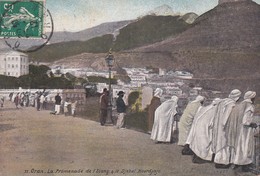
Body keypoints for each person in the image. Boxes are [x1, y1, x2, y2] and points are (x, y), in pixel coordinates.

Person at [226, 91, 257, 172]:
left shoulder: (239, 105)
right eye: (254, 97)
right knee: (245, 147)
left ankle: (236, 163)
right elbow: (246, 122)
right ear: (252, 98)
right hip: (245, 131)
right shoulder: (249, 106)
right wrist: (253, 124)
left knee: (238, 147)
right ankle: (245, 165)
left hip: (238, 130)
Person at [212, 89, 241, 168]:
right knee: (225, 145)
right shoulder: (231, 104)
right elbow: (226, 118)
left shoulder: (223, 101)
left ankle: (218, 161)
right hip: (224, 127)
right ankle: (223, 162)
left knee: (220, 143)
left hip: (218, 125)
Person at [186, 98, 221, 163]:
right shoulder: (215, 110)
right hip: (205, 128)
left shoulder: (207, 108)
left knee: (199, 143)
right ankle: (202, 157)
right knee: (205, 142)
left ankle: (198, 156)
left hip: (199, 127)